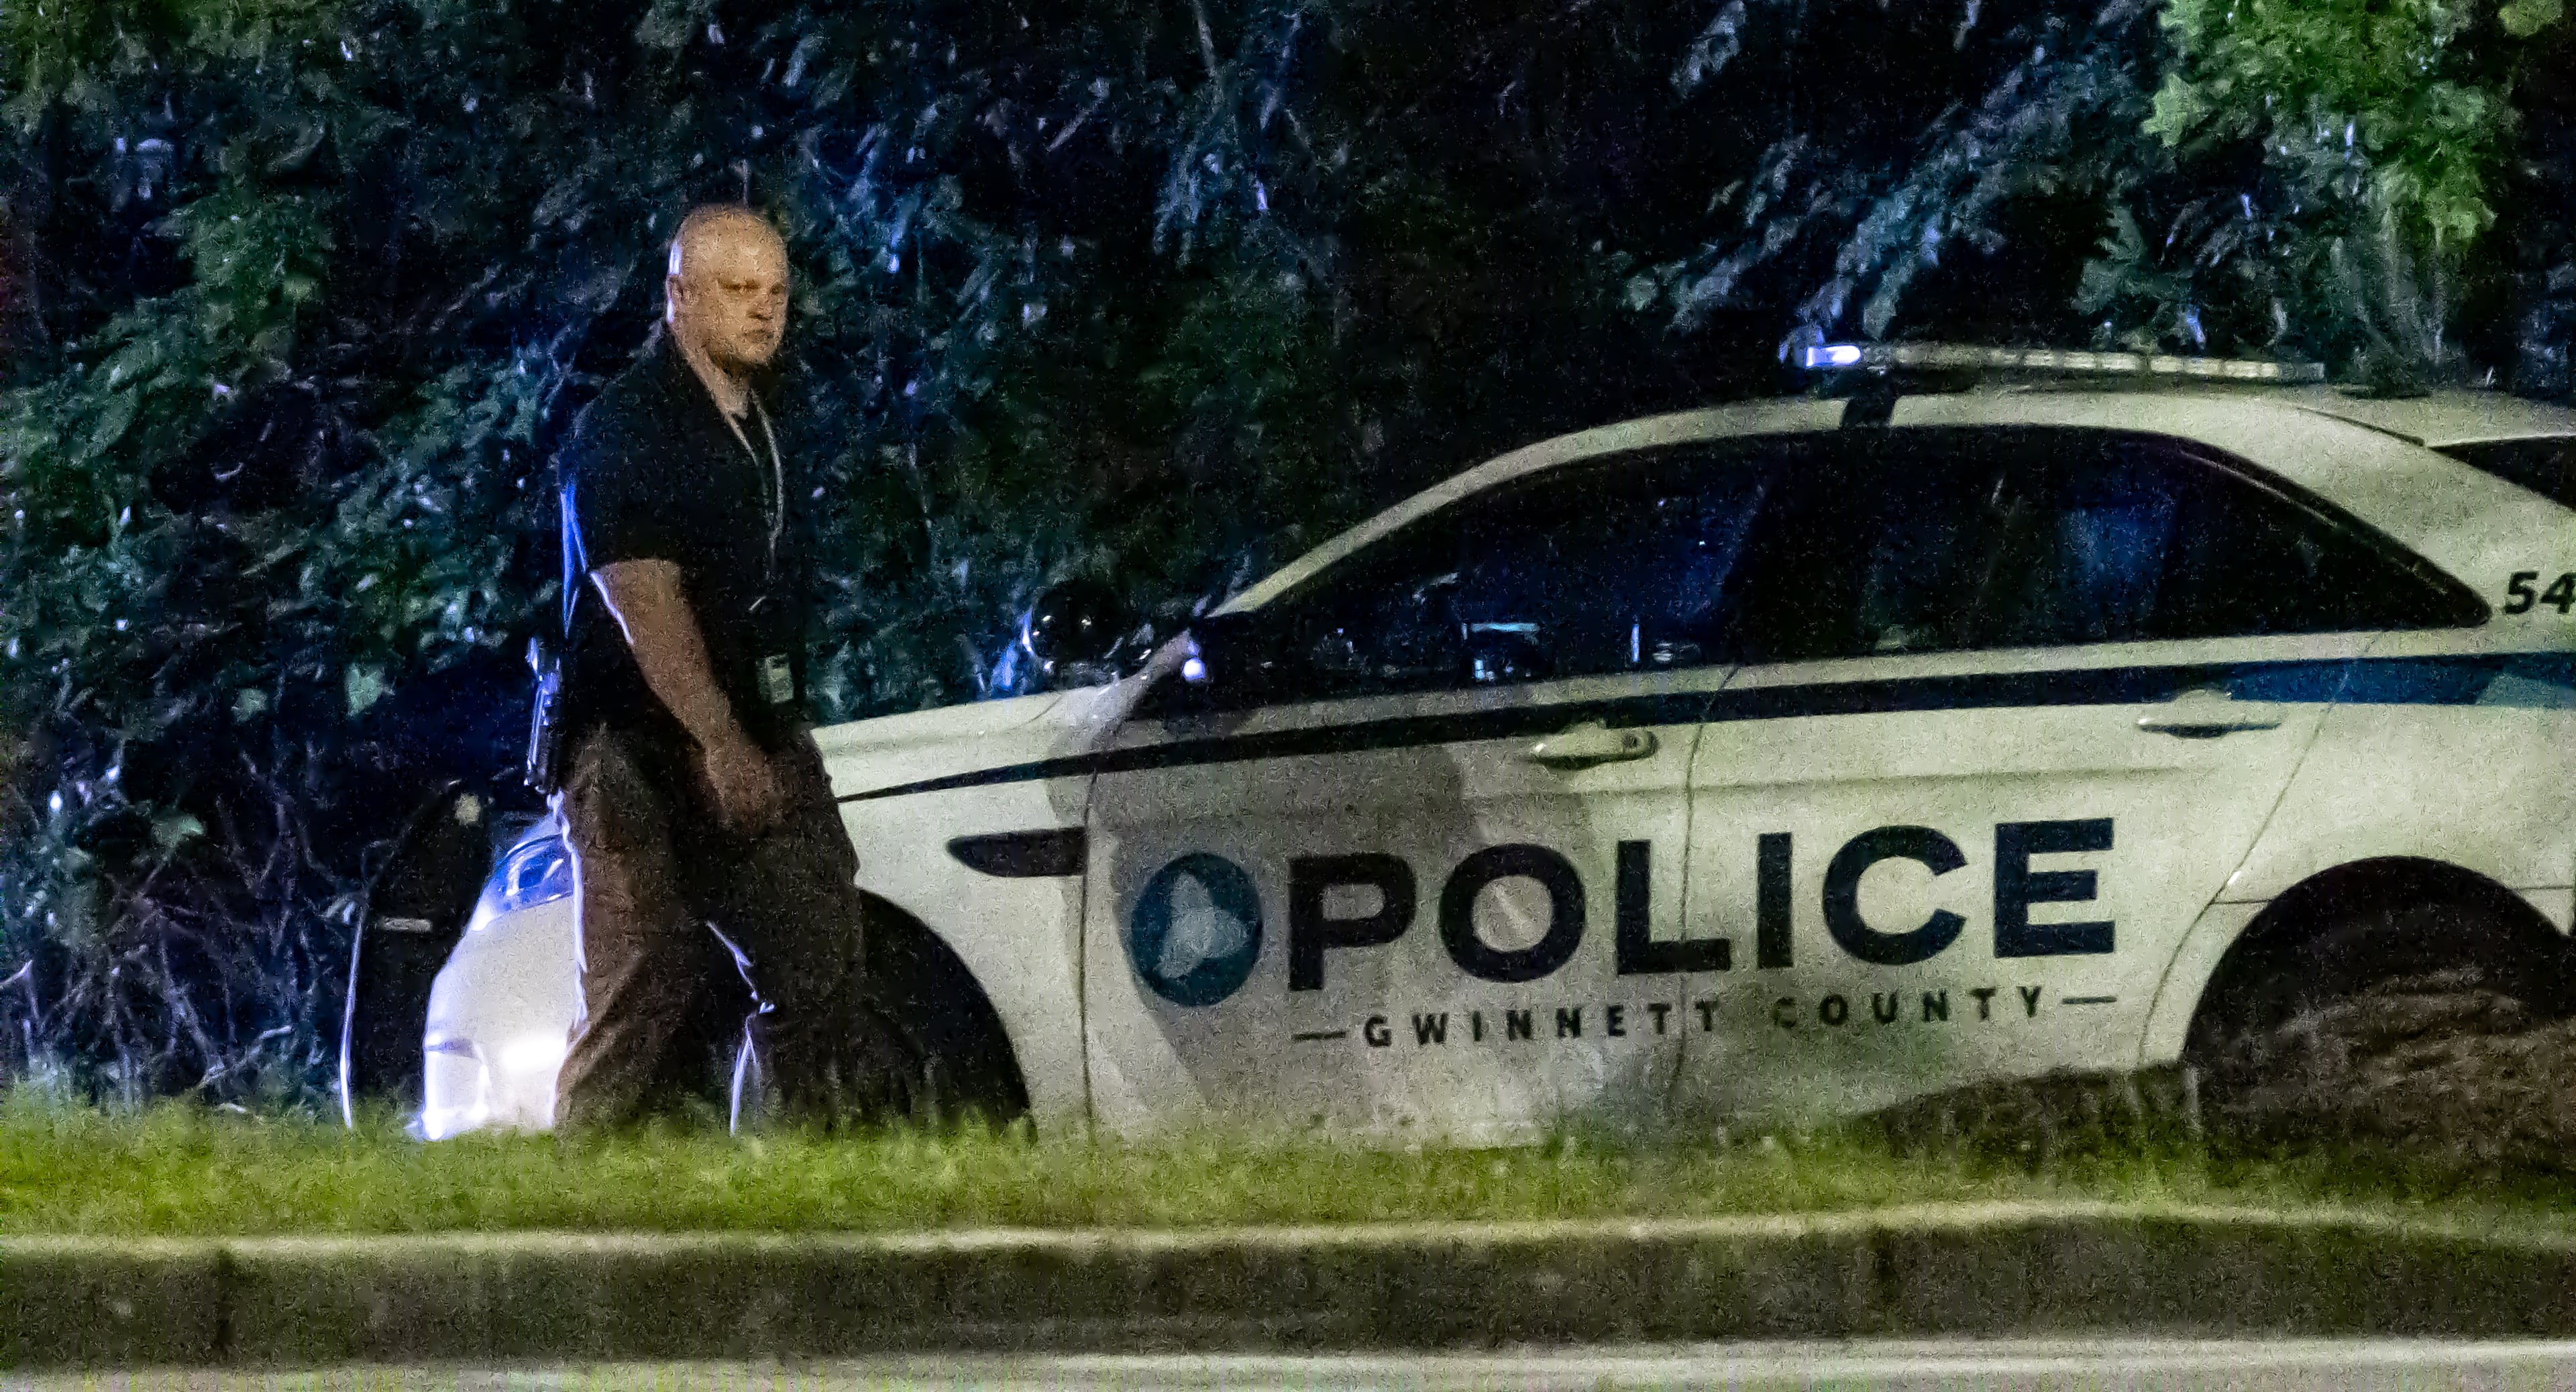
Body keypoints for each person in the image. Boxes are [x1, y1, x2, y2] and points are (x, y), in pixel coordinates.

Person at [549, 203, 870, 1130]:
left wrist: (764, 734)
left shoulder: (771, 414)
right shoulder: (630, 427)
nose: (764, 309)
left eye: (776, 292)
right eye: (736, 289)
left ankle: (793, 1178)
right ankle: (572, 1190)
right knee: (643, 981)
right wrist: (720, 741)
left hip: (759, 726)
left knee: (818, 954)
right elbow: (640, 599)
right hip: (638, 749)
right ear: (679, 296)